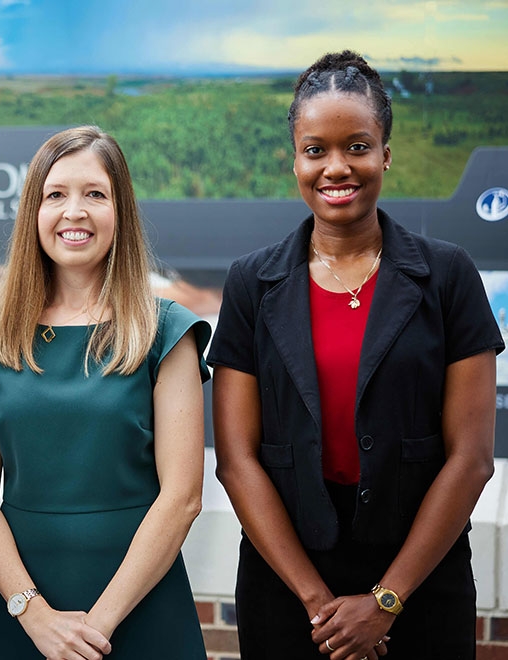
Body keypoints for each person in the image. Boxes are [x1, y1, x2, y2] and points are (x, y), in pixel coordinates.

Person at [207, 50, 505, 660]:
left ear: (386, 154)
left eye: (358, 146)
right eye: (315, 149)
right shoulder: (250, 284)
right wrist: (320, 605)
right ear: (294, 159)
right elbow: (237, 462)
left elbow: (471, 459)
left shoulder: (447, 276)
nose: (336, 167)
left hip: (421, 582)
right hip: (286, 585)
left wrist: (385, 602)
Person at [0, 126, 211, 660]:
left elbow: (182, 498)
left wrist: (96, 627)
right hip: (25, 612)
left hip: (141, 604)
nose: (75, 211)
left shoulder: (165, 332)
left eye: (95, 194)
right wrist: (35, 615)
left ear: (121, 212)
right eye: (56, 195)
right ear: (33, 212)